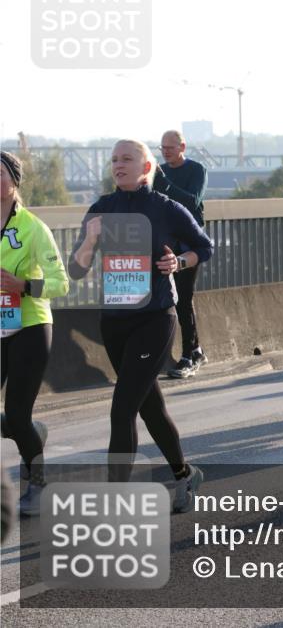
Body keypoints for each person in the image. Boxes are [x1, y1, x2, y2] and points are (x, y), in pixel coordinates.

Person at [68, 139, 213, 511]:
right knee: (149, 407)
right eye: (114, 159)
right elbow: (76, 269)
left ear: (146, 167)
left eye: (127, 158)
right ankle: (184, 474)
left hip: (155, 318)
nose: (118, 164)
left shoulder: (165, 208)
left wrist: (178, 263)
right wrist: (90, 241)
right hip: (115, 322)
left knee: (122, 407)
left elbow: (204, 246)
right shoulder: (102, 208)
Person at [1, 151, 69, 515]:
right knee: (15, 421)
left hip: (30, 325)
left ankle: (39, 484)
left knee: (16, 413)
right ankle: (28, 431)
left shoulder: (33, 227)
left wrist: (22, 284)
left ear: (14, 181)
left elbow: (61, 284)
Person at [153, 130, 209, 379]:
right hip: (167, 243)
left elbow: (191, 201)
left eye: (170, 147)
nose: (166, 152)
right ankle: (194, 349)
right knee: (166, 299)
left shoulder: (196, 170)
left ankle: (190, 354)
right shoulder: (158, 174)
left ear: (182, 146)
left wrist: (164, 182)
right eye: (162, 148)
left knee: (184, 298)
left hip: (189, 244)